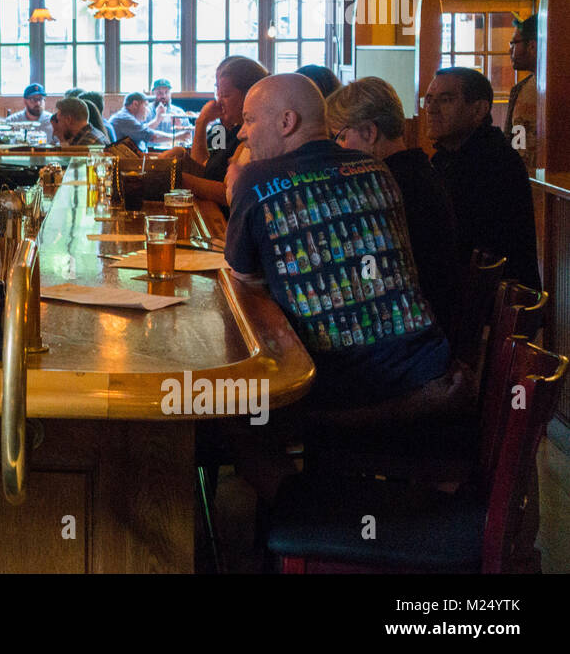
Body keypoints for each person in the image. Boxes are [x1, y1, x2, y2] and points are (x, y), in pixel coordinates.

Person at [223, 74, 459, 500]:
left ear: (286, 122)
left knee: (237, 418)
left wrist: (236, 188)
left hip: (344, 391)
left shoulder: (254, 181)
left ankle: (310, 523)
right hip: (429, 371)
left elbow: (243, 286)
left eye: (249, 120)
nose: (241, 132)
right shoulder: (378, 168)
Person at [325, 77, 461, 332]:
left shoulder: (388, 186)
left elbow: (372, 276)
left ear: (369, 132)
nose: (337, 150)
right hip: (429, 319)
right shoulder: (415, 170)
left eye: (340, 138)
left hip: (413, 330)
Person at [425, 67, 540, 290]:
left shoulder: (493, 161)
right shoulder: (448, 158)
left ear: (478, 110)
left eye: (446, 100)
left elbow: (457, 242)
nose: (432, 109)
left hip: (492, 306)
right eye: (429, 100)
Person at [173, 56, 269, 208]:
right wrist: (201, 123)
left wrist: (173, 177)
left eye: (224, 94)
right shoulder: (222, 129)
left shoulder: (257, 136)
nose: (218, 101)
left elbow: (230, 192)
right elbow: (204, 167)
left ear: (250, 95)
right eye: (217, 90)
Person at [504, 13, 538, 173]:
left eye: (514, 43)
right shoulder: (519, 90)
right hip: (522, 183)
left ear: (532, 46)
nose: (510, 50)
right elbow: (510, 142)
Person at [109, 91, 183, 150]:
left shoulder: (126, 117)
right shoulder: (125, 119)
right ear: (135, 104)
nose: (147, 110)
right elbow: (152, 136)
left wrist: (157, 119)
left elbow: (144, 129)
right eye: (145, 105)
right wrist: (179, 136)